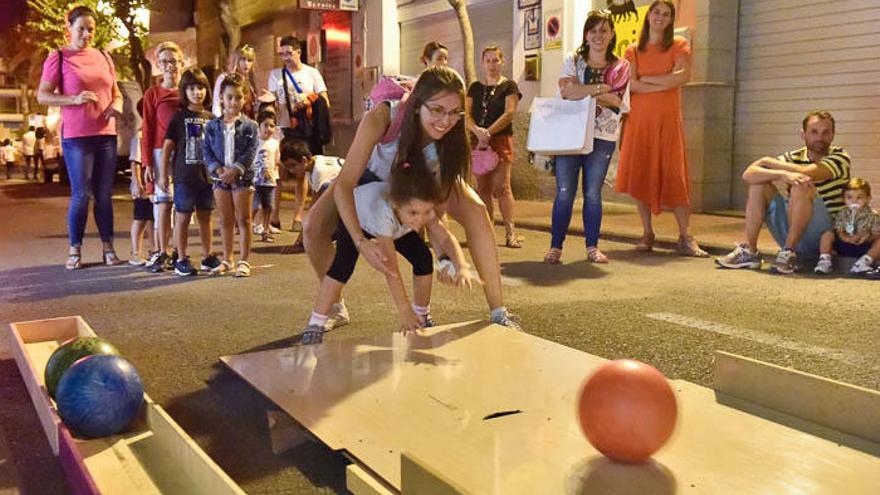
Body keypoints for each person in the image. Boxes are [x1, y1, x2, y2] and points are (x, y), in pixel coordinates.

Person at [302, 66, 520, 330]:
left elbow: (435, 212)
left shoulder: (448, 142)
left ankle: (498, 312)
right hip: (368, 179)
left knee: (475, 208)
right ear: (418, 104)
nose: (445, 121)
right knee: (312, 227)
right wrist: (360, 242)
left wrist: (447, 260)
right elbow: (345, 185)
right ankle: (334, 307)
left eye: (454, 112)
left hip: (412, 184)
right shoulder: (383, 115)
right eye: (437, 110)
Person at [299, 163, 477, 344]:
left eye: (426, 212)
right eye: (414, 213)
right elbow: (391, 270)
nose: (420, 220)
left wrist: (461, 265)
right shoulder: (384, 216)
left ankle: (422, 316)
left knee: (423, 258)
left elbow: (446, 238)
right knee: (342, 267)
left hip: (397, 223)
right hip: (358, 219)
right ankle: (316, 321)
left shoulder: (418, 208)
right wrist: (405, 311)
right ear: (396, 205)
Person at [615, 0, 707, 258]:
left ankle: (685, 236)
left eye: (666, 14)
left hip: (668, 122)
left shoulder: (679, 45)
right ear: (648, 16)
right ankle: (647, 232)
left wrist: (649, 80)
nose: (660, 17)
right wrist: (665, 80)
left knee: (675, 176)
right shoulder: (633, 50)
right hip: (640, 122)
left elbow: (683, 77)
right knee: (641, 174)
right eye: (657, 12)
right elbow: (630, 85)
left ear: (670, 20)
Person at [37, 5, 125, 270]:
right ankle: (75, 249)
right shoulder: (59, 57)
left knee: (104, 194)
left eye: (91, 30)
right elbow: (43, 95)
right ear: (69, 28)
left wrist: (117, 105)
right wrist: (73, 99)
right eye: (81, 29)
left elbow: (116, 93)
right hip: (77, 137)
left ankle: (108, 248)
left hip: (106, 134)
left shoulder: (103, 57)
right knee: (81, 194)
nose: (86, 34)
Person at [715, 111, 851, 274]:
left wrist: (767, 162)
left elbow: (809, 172)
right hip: (794, 226)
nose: (820, 137)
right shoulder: (793, 156)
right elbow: (748, 175)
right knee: (759, 185)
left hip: (824, 236)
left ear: (833, 135)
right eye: (814, 132)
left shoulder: (840, 156)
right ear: (803, 134)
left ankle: (788, 252)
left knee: (801, 184)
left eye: (825, 132)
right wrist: (781, 174)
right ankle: (750, 251)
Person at [544, 10, 631, 265]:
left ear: (612, 33)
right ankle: (555, 247)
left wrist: (584, 92)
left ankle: (592, 247)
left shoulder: (621, 66)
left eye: (604, 30)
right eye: (593, 30)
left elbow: (618, 102)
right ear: (586, 34)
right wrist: (601, 88)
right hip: (570, 134)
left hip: (602, 135)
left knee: (593, 193)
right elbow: (567, 92)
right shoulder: (573, 60)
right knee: (563, 192)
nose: (598, 36)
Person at [160, 67, 221, 276]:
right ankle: (182, 258)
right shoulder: (178, 118)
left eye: (201, 87)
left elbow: (217, 147)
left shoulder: (212, 118)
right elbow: (168, 146)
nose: (197, 92)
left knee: (206, 216)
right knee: (183, 217)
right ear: (184, 91)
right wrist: (162, 174)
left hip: (207, 176)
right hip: (184, 176)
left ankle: (207, 256)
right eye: (192, 88)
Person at [267, 36, 330, 229]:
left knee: (302, 173)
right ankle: (274, 216)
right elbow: (272, 102)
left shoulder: (312, 73)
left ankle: (298, 217)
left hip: (305, 129)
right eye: (282, 54)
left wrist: (308, 100)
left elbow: (325, 101)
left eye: (289, 53)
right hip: (283, 128)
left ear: (298, 52)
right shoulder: (276, 74)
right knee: (279, 172)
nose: (285, 57)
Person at [466, 45, 522, 249]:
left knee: (502, 187)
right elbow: (467, 114)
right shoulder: (474, 88)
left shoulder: (509, 87)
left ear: (502, 62)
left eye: (495, 60)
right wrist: (477, 132)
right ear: (482, 63)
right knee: (483, 189)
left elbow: (509, 113)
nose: (491, 65)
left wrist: (488, 132)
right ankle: (487, 232)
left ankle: (510, 232)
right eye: (487, 61)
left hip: (499, 140)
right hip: (478, 143)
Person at [203, 73, 259, 277]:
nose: (234, 102)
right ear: (221, 99)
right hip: (220, 179)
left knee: (243, 218)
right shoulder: (212, 126)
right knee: (225, 220)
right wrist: (218, 170)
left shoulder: (250, 126)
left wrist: (235, 169)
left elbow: (251, 151)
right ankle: (228, 258)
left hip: (242, 178)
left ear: (245, 98)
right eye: (229, 97)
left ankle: (244, 260)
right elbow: (207, 150)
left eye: (238, 97)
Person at [142, 41, 183, 273]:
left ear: (182, 63)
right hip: (160, 154)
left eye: (174, 61)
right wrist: (147, 162)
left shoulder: (189, 90)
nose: (170, 66)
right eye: (165, 62)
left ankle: (180, 250)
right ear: (158, 65)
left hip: (184, 154)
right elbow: (147, 129)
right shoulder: (153, 94)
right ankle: (162, 251)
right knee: (163, 203)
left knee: (183, 204)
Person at [279, 138, 343, 254]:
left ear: (304, 160)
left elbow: (313, 210)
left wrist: (299, 243)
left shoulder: (319, 171)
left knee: (323, 198)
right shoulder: (314, 162)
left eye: (293, 165)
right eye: (288, 167)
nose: (291, 170)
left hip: (363, 192)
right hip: (357, 191)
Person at [812, 178, 880, 275]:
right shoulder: (842, 214)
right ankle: (824, 261)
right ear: (843, 199)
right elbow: (840, 232)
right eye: (849, 197)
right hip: (844, 245)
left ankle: (863, 262)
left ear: (868, 199)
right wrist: (848, 239)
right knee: (827, 234)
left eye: (859, 197)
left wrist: (867, 238)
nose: (854, 201)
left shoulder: (873, 216)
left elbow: (876, 235)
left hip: (863, 247)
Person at [128, 124, 156, 266]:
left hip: (154, 184)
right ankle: (135, 253)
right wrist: (137, 183)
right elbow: (135, 161)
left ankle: (154, 250)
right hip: (143, 185)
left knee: (152, 218)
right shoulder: (140, 136)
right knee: (140, 218)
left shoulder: (157, 131)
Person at [252, 111, 281, 243]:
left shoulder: (275, 143)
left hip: (270, 181)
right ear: (259, 126)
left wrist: (275, 174)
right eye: (265, 125)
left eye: (272, 126)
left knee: (268, 206)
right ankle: (246, 226)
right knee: (254, 206)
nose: (268, 129)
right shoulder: (254, 142)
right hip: (255, 181)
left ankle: (265, 230)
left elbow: (276, 160)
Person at [212, 44, 258, 119]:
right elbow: (217, 105)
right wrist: (220, 124)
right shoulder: (224, 78)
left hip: (246, 124)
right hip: (228, 122)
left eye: (249, 60)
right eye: (243, 59)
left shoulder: (250, 83)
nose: (246, 64)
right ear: (236, 60)